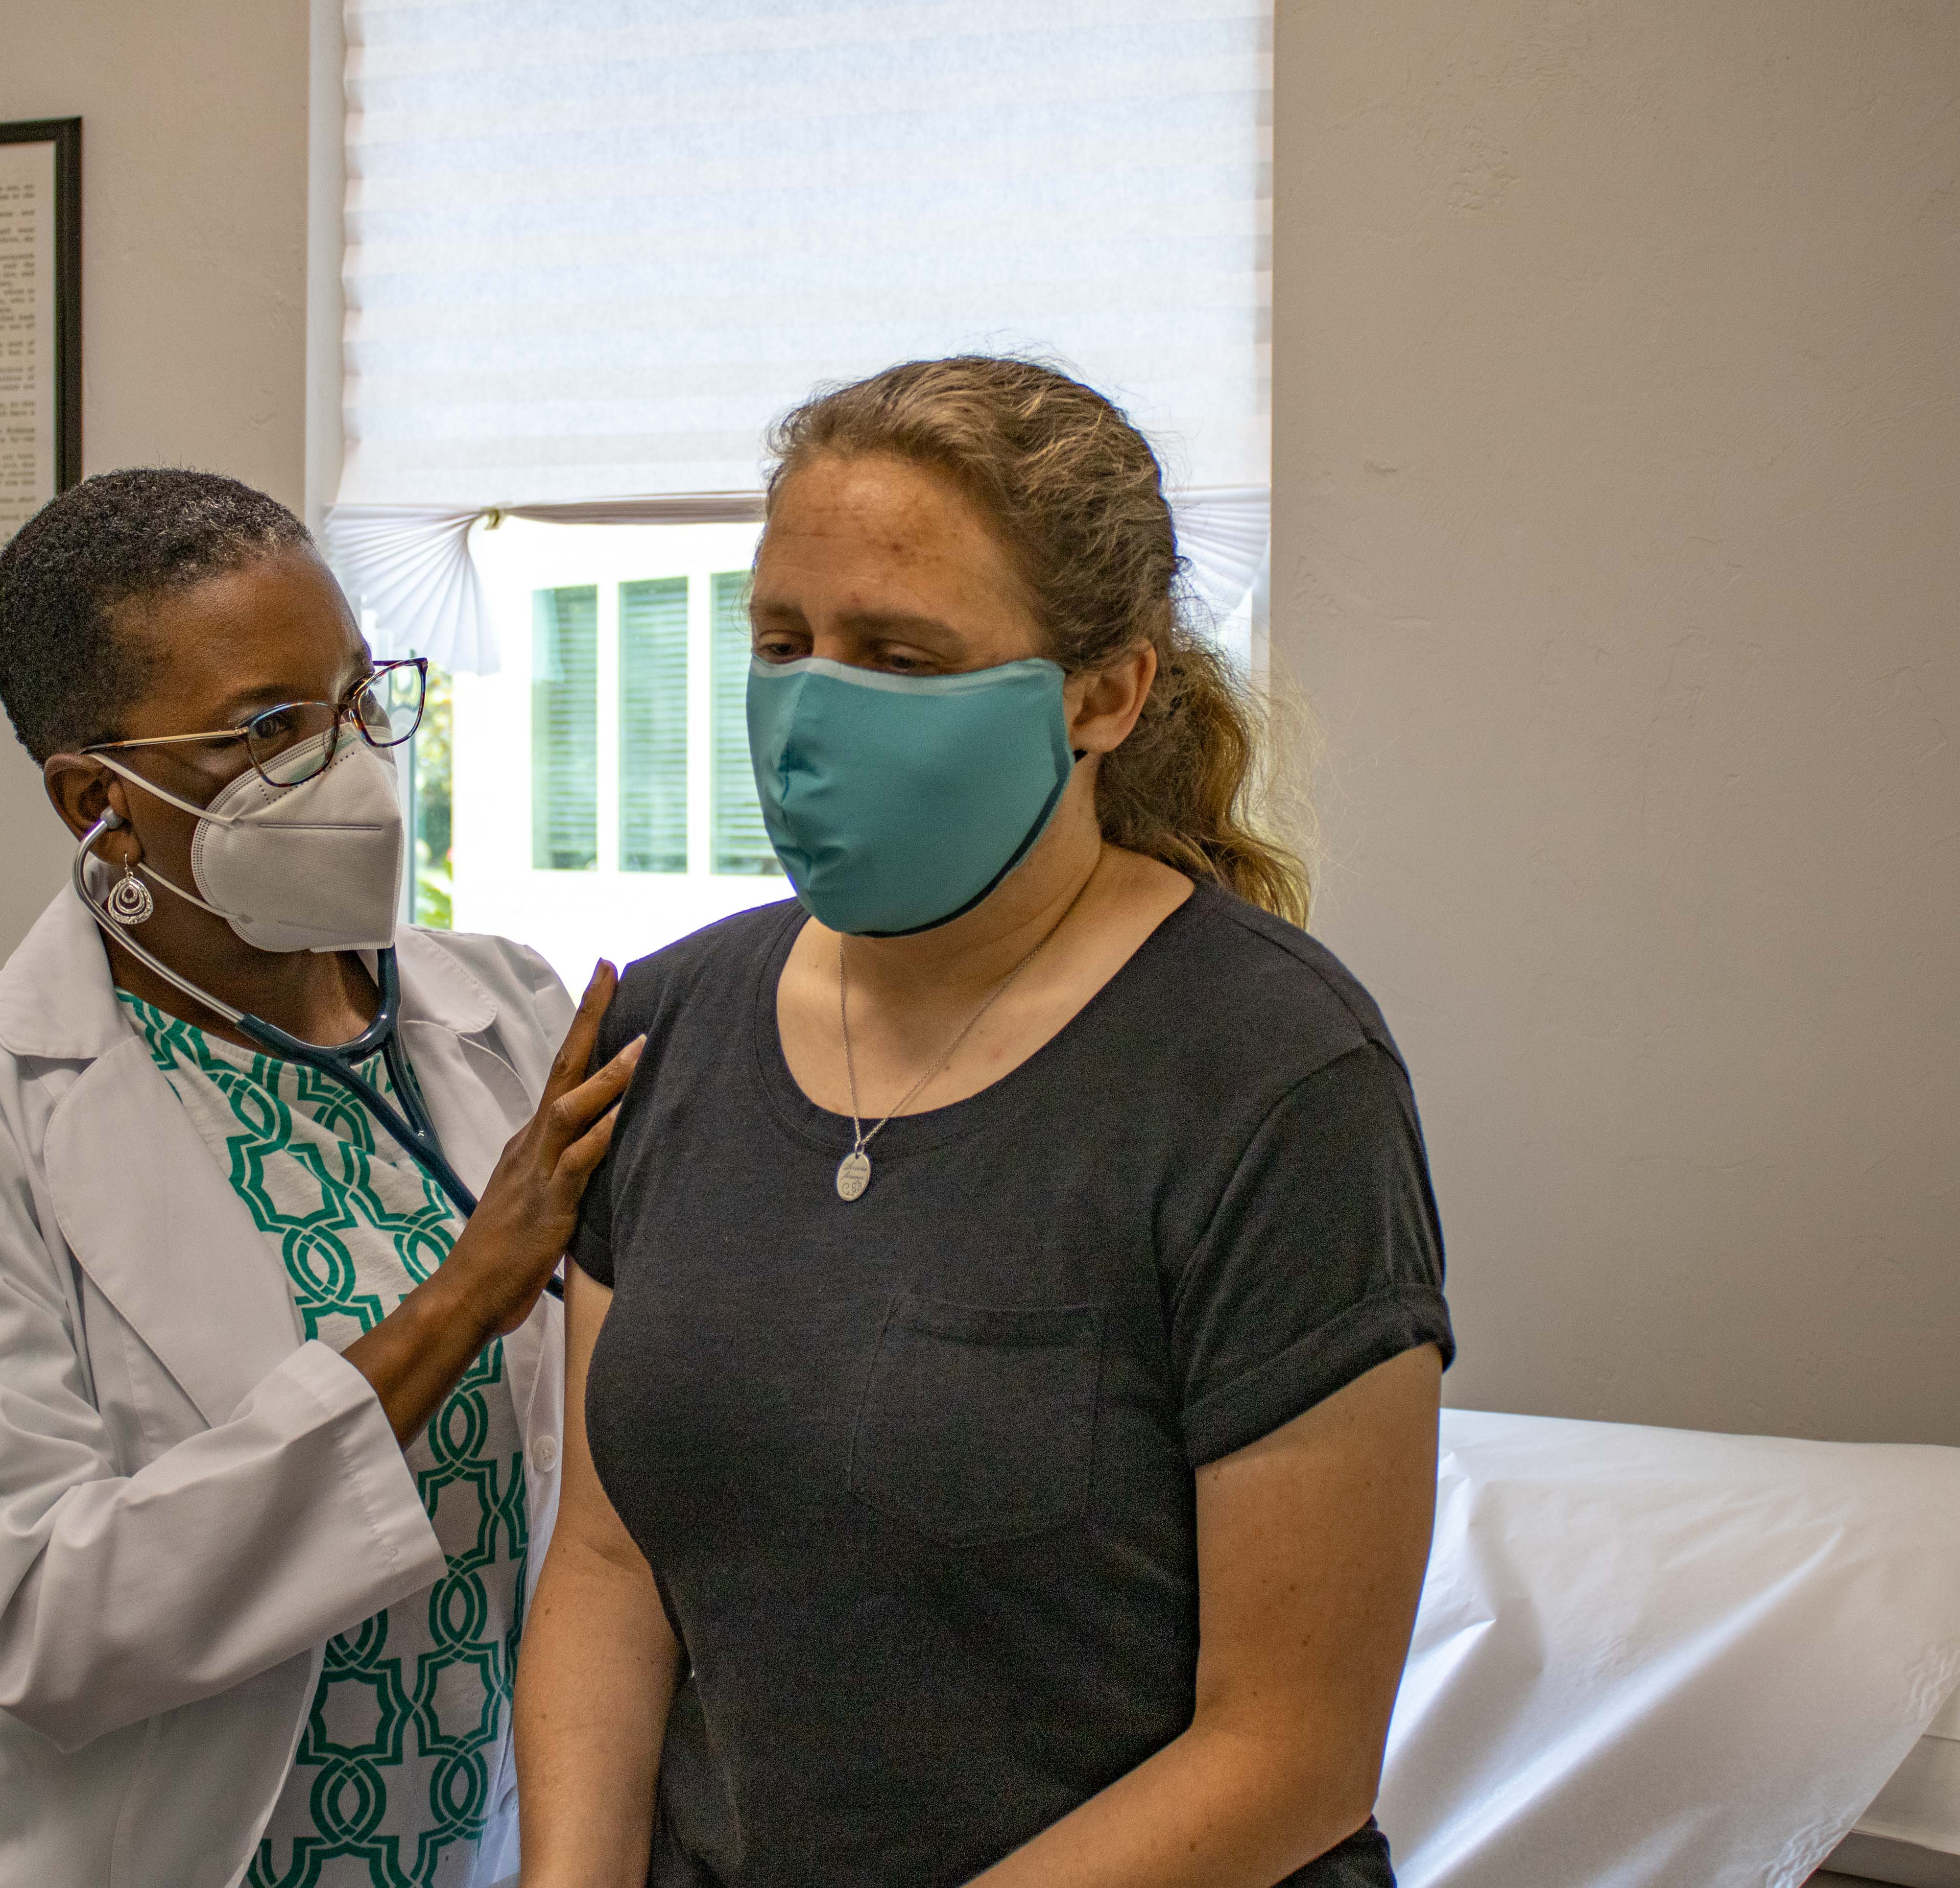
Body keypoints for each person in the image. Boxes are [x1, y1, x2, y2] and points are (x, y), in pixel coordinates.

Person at [513, 359, 1455, 1888]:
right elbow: (616, 1571)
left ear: (1105, 694)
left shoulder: (1271, 1075)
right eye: (782, 642)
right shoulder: (666, 1029)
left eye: (898, 655)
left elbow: (1289, 1751)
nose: (815, 708)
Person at [0, 470, 637, 1888]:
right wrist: (458, 1305)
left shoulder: (498, 1011)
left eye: (354, 696)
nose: (348, 759)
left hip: (470, 1835)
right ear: (101, 801)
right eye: (269, 729)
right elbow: (41, 1621)